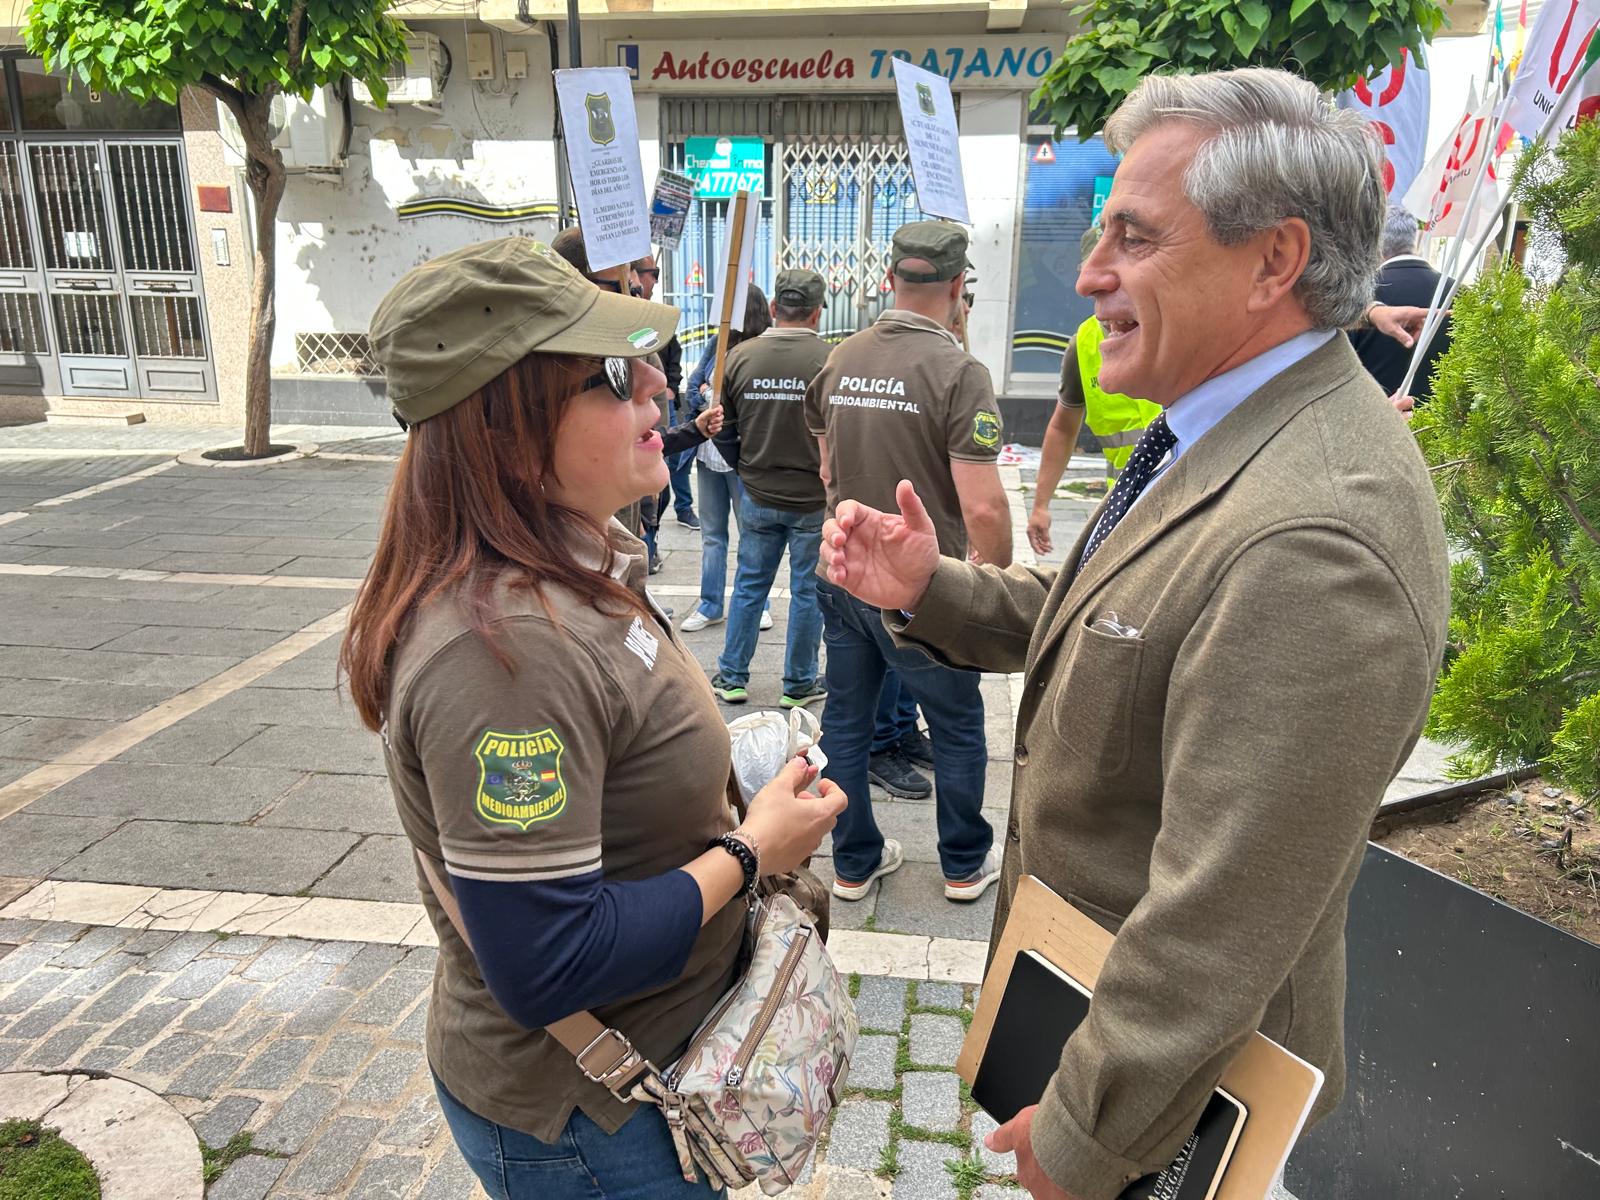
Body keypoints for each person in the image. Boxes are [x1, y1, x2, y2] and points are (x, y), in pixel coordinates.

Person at [819, 69, 1449, 1200]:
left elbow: (1220, 919)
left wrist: (1084, 1142)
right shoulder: (1223, 433)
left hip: (1168, 1104)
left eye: (1134, 237)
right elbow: (1122, 626)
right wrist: (933, 586)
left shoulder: (1313, 537)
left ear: (1275, 260)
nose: (1087, 272)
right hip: (1080, 1003)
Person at [341, 237, 844, 1200]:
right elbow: (546, 960)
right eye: (613, 374)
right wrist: (752, 852)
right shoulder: (505, 652)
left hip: (651, 1062)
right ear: (509, 427)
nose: (658, 387)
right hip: (596, 1120)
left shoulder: (576, 568)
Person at [806, 220, 1012, 905]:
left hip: (841, 570)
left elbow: (827, 462)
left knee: (845, 716)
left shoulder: (839, 356)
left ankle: (853, 862)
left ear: (889, 279)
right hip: (924, 588)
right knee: (954, 722)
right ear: (958, 287)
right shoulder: (960, 372)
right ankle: (961, 863)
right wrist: (995, 578)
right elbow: (981, 508)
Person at [708, 268, 833, 709]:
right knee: (807, 592)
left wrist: (743, 464)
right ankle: (797, 684)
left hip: (757, 492)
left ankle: (731, 676)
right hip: (813, 499)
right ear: (818, 311)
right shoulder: (831, 360)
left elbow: (719, 425)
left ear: (776, 308)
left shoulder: (740, 357)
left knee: (748, 585)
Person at [1029, 227, 1163, 556]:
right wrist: (1040, 505)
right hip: (1123, 507)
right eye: (1098, 273)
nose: (1105, 285)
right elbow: (1062, 427)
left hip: (1178, 504)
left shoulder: (1170, 327)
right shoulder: (1084, 344)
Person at [680, 288, 774, 635]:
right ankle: (711, 604)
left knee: (752, 533)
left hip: (743, 454)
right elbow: (692, 388)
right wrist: (708, 395)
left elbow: (751, 403)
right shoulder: (718, 341)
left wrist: (714, 396)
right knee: (712, 534)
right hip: (707, 452)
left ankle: (759, 603)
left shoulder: (762, 348)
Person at [1350, 202, 1454, 403]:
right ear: (1413, 238)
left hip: (1374, 423)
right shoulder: (1459, 294)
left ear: (1374, 243)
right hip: (1442, 428)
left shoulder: (1357, 293)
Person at [636, 251, 698, 529]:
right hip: (640, 419)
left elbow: (674, 361)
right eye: (653, 274)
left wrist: (671, 387)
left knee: (672, 466)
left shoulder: (658, 319)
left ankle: (677, 512)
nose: (654, 282)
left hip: (662, 412)